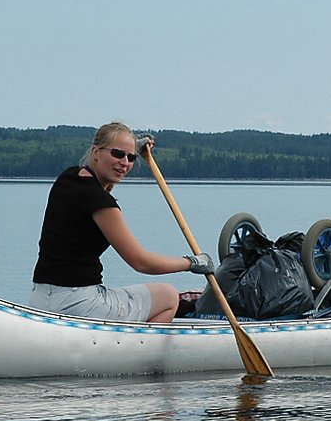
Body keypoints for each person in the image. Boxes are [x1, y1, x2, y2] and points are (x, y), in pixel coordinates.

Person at [29, 122, 214, 323]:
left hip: (39, 299)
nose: (125, 162)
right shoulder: (103, 205)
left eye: (131, 157)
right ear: (96, 152)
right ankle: (141, 352)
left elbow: (98, 188)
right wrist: (192, 263)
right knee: (169, 296)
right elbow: (141, 262)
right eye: (117, 154)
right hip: (80, 304)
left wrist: (130, 146)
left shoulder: (68, 178)